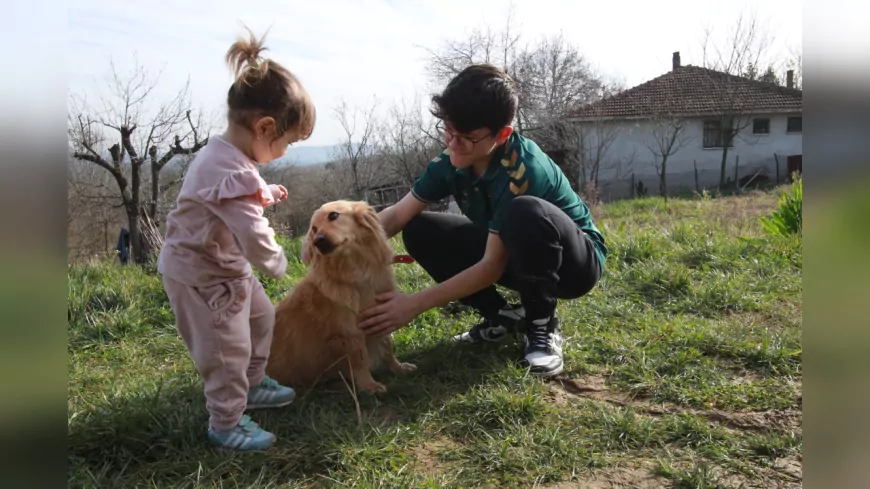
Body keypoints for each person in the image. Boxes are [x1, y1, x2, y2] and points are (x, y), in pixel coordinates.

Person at [355, 63, 607, 378]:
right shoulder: (452, 158)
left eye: (467, 138)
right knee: (419, 229)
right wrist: (345, 244)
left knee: (524, 212)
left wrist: (413, 304)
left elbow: (491, 266)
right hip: (513, 253)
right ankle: (501, 316)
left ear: (502, 134)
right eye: (448, 130)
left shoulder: (523, 170)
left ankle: (541, 326)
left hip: (573, 265)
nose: (453, 144)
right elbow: (396, 215)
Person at [157, 27, 316, 451]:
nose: (284, 152)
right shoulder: (230, 170)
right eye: (286, 143)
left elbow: (237, 199)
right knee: (225, 351)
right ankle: (225, 422)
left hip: (225, 270)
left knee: (261, 319)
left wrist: (267, 193)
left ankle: (253, 382)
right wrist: (276, 261)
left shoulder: (228, 157)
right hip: (204, 278)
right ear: (264, 128)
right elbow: (250, 229)